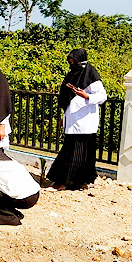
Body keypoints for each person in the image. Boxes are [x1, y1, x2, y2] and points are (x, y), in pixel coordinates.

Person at [47, 48, 107, 191]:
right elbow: (67, 99)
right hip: (72, 120)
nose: (72, 63)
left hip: (85, 122)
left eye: (74, 61)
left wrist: (86, 96)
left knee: (81, 154)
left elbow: (102, 96)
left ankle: (73, 182)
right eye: (70, 61)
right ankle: (67, 182)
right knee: (70, 152)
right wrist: (64, 117)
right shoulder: (71, 75)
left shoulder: (91, 75)